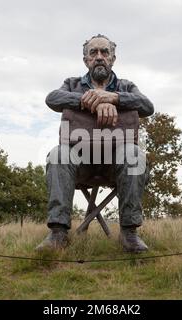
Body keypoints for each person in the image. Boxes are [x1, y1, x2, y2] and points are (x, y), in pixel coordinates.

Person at [36, 34, 154, 253]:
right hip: (80, 164)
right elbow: (52, 98)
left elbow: (147, 106)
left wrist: (114, 98)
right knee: (58, 154)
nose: (99, 57)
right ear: (86, 60)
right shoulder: (71, 84)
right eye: (93, 53)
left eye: (104, 52)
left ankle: (129, 234)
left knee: (135, 155)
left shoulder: (126, 86)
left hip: (115, 165)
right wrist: (91, 100)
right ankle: (58, 234)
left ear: (113, 58)